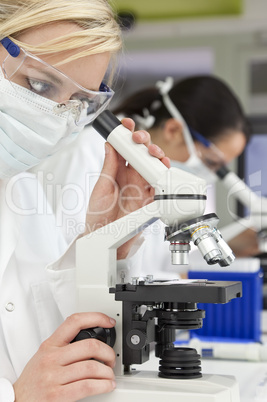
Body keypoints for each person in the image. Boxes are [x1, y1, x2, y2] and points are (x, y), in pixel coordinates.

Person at [0, 1, 171, 401]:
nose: (53, 116)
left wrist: (107, 239)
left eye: (78, 102)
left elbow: (57, 337)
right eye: (40, 86)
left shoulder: (26, 188)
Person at [113, 75, 261, 257]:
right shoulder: (94, 153)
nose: (212, 175)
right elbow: (74, 261)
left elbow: (163, 264)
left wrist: (232, 244)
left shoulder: (163, 184)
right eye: (211, 162)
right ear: (173, 131)